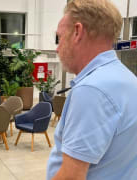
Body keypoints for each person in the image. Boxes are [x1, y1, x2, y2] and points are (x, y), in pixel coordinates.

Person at [47, 0, 137, 179]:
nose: (57, 48)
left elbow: (71, 176)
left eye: (60, 37)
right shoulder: (128, 79)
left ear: (77, 32)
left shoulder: (91, 90)